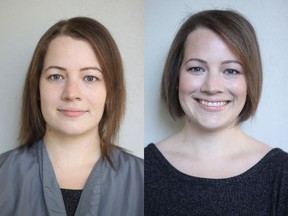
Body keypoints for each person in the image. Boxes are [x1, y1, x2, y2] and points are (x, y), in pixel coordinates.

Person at [145, 9, 288, 215]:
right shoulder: (140, 171)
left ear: (250, 81)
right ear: (176, 77)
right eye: (196, 69)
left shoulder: (282, 174)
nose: (212, 87)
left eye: (231, 71)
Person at [0, 17, 143, 216]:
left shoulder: (146, 180)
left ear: (110, 92)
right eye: (56, 76)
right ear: (37, 89)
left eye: (90, 78)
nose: (71, 93)